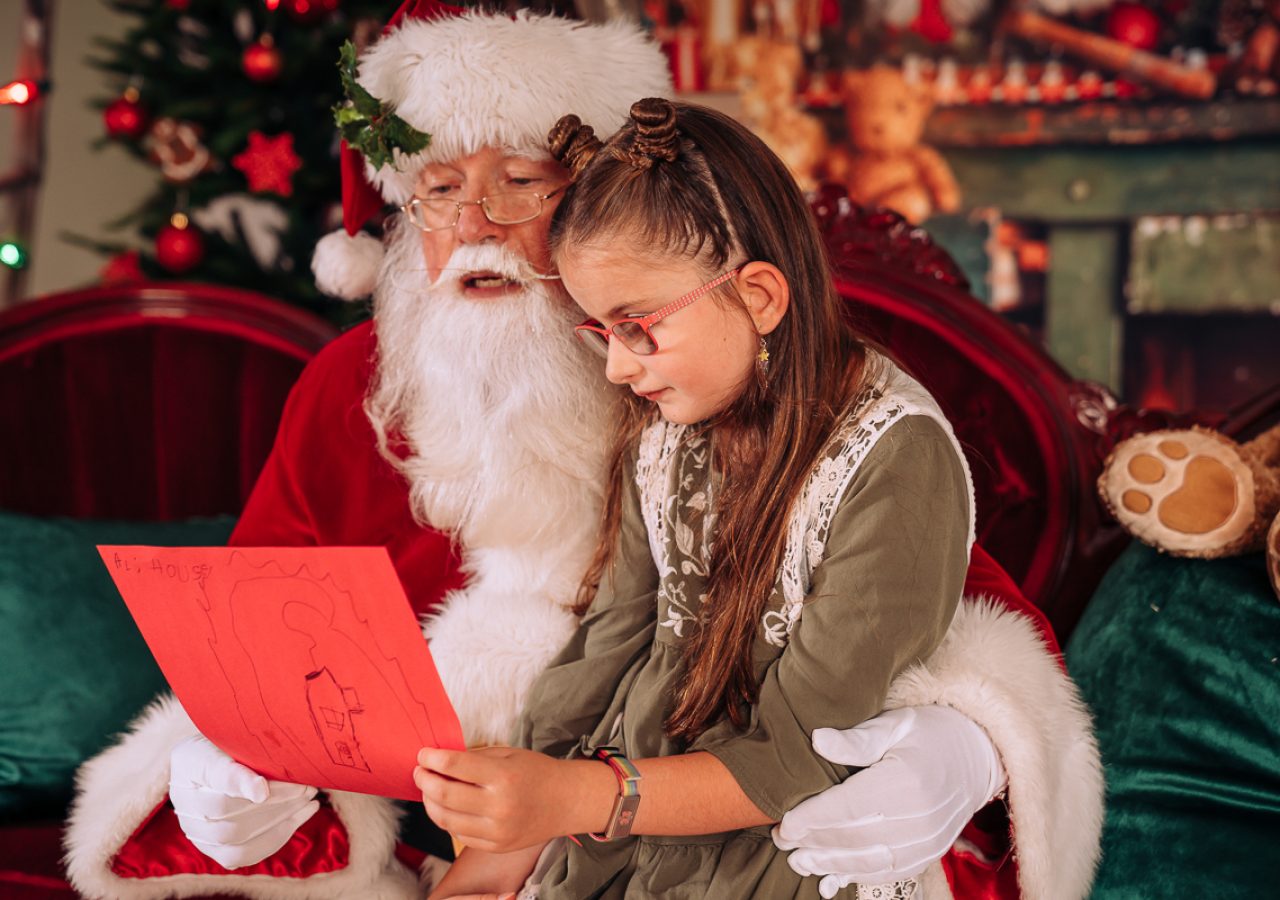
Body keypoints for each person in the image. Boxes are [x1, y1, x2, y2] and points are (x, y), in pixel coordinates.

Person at [63, 6, 1102, 900]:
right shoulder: (350, 386)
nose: (472, 223)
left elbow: (941, 600)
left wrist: (963, 740)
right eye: (434, 188)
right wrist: (229, 765)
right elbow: (254, 640)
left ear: (607, 199)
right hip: (453, 852)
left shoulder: (724, 380)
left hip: (709, 820)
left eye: (521, 181)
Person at [415, 96, 984, 899]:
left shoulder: (894, 460)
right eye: (600, 331)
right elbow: (614, 637)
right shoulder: (667, 419)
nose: (617, 367)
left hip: (781, 842)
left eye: (637, 324)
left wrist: (580, 797)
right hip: (626, 818)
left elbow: (802, 750)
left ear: (757, 298)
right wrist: (517, 824)